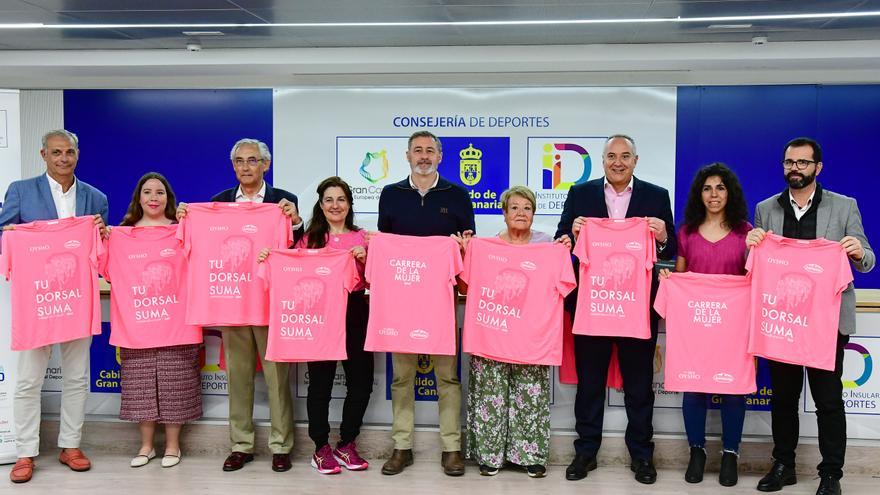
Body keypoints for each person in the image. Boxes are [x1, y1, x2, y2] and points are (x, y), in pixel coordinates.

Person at [746, 137, 874, 495]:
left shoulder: (844, 206)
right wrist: (753, 244)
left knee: (828, 400)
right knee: (783, 398)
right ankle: (783, 464)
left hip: (825, 324)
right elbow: (757, 269)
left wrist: (857, 251)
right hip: (782, 322)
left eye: (802, 163)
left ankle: (831, 473)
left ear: (818, 168)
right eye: (789, 162)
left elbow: (867, 259)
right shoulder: (765, 209)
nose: (795, 169)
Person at [555, 134, 675, 484]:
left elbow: (670, 250)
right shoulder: (581, 194)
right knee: (589, 384)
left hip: (637, 309)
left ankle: (642, 455)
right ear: (603, 160)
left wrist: (664, 235)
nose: (618, 162)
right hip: (592, 307)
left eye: (625, 156)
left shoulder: (656, 196)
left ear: (635, 161)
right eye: (611, 156)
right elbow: (563, 238)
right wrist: (571, 232)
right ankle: (585, 452)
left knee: (639, 386)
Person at [177, 138, 302, 473]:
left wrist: (297, 221)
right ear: (233, 166)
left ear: (266, 164)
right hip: (231, 303)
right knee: (238, 379)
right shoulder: (216, 203)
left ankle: (281, 446)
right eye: (240, 161)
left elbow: (296, 246)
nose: (246, 167)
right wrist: (186, 217)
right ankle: (241, 445)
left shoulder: (283, 203)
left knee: (277, 379)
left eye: (253, 160)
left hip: (269, 304)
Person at [0, 129, 108, 483]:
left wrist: (102, 233)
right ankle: (25, 451)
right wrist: (14, 234)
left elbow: (103, 252)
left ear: (78, 154)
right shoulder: (20, 190)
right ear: (43, 154)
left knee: (77, 377)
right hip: (37, 301)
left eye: (70, 152)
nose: (64, 158)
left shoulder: (96, 198)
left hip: (78, 299)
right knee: (29, 380)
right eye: (56, 152)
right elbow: (3, 235)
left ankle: (70, 445)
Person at [258, 177, 372, 475]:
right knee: (320, 384)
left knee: (361, 382)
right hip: (320, 315)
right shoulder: (309, 239)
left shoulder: (363, 237)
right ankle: (321, 448)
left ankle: (347, 443)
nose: (336, 205)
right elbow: (291, 272)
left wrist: (368, 260)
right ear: (321, 206)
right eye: (329, 200)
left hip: (356, 310)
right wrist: (270, 258)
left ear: (349, 204)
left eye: (341, 199)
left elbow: (377, 279)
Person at [377, 130, 475, 476]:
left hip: (441, 299)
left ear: (440, 156)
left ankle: (451, 448)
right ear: (407, 156)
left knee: (447, 377)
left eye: (429, 150)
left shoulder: (458, 195)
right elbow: (384, 249)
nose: (423, 156)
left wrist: (462, 247)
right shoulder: (390, 194)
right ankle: (401, 446)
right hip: (400, 300)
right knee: (401, 378)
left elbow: (468, 247)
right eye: (417, 150)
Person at [456, 186, 570, 478]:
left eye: (527, 208)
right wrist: (466, 254)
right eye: (515, 208)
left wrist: (564, 252)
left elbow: (566, 286)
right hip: (491, 336)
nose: (521, 213)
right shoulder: (484, 247)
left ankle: (530, 455)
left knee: (530, 397)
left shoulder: (550, 248)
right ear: (504, 213)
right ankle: (490, 456)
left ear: (534, 213)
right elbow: (465, 287)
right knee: (489, 397)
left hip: (532, 340)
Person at [658, 163, 751, 486]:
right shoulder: (686, 232)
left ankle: (730, 454)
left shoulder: (745, 232)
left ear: (730, 193)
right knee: (694, 387)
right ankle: (696, 451)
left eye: (720, 188)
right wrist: (670, 279)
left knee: (734, 390)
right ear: (700, 194)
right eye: (707, 188)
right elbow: (682, 277)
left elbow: (753, 278)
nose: (714, 194)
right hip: (696, 324)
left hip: (733, 327)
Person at [115, 173, 202, 469]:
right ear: (138, 197)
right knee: (141, 389)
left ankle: (173, 447)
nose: (154, 197)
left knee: (175, 387)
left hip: (178, 325)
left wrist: (191, 221)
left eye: (160, 192)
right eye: (148, 192)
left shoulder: (183, 231)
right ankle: (146, 446)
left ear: (168, 198)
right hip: (135, 327)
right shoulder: (120, 235)